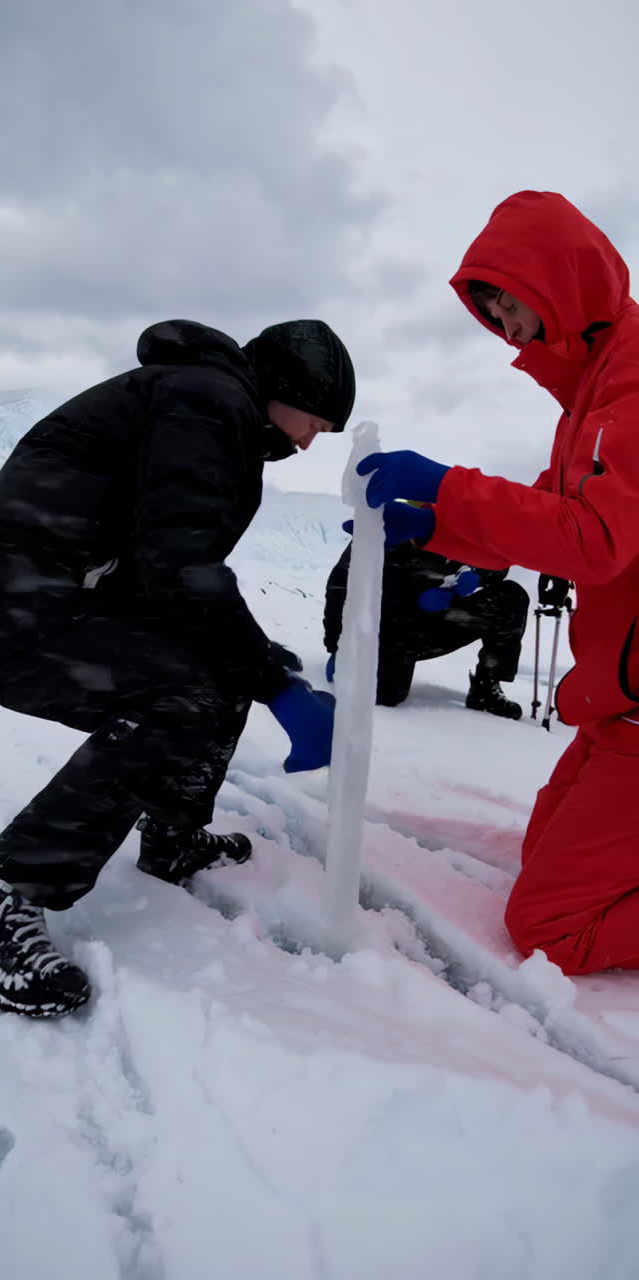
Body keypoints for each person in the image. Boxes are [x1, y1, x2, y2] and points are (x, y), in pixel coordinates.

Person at [0, 318, 355, 1016]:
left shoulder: (209, 403)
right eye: (316, 421)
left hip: (50, 598)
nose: (309, 441)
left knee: (221, 672)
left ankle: (172, 836)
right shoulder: (209, 402)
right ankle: (0, 906)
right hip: (17, 613)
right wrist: (277, 683)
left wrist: (258, 665)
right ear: (287, 387)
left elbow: (158, 570)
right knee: (180, 699)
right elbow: (178, 567)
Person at [351, 190, 639, 976]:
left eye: (512, 306)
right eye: (494, 316)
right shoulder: (590, 399)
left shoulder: (634, 382)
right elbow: (551, 512)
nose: (507, 331)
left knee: (551, 921)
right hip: (616, 706)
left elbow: (596, 539)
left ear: (562, 283)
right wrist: (437, 527)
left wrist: (447, 487)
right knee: (541, 847)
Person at [323, 540, 528, 717]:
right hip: (388, 625)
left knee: (509, 599)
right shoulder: (381, 531)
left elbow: (496, 561)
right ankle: (360, 664)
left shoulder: (458, 528)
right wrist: (337, 644)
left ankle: (486, 690)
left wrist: (476, 574)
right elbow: (339, 589)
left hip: (436, 619)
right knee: (385, 695)